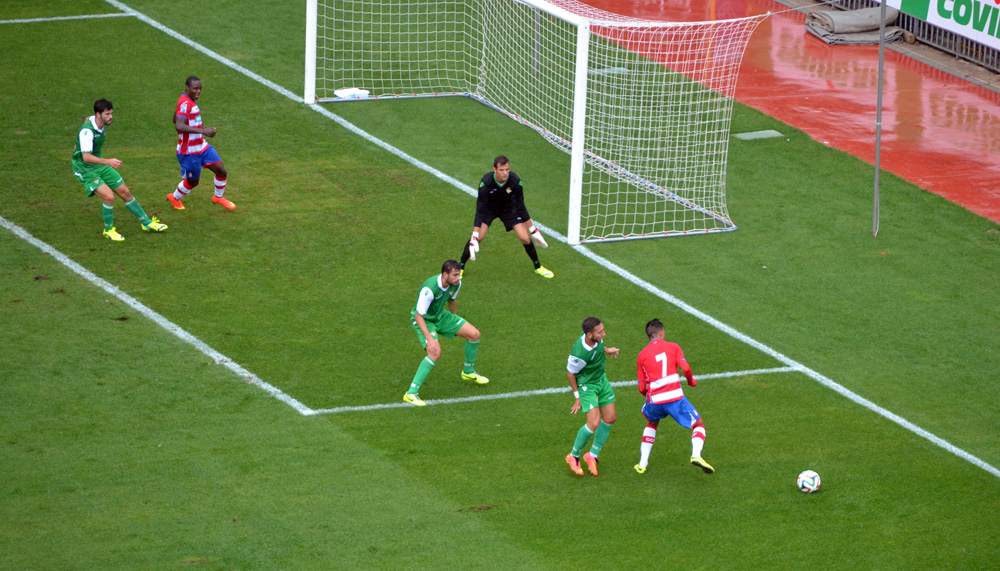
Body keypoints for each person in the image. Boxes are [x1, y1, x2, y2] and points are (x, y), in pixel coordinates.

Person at [71, 99, 168, 241]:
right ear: (98, 114)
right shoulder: (87, 132)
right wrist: (107, 161)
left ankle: (146, 223)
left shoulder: (96, 121)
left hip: (99, 163)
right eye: (107, 114)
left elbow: (87, 119)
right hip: (85, 168)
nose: (111, 117)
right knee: (109, 197)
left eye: (111, 113)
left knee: (125, 192)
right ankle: (108, 230)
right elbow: (86, 157)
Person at [634, 318, 714, 475]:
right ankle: (696, 455)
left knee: (652, 422)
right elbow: (686, 368)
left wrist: (650, 397)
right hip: (675, 398)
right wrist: (691, 381)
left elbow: (641, 387)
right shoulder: (673, 347)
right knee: (698, 424)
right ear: (662, 333)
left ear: (648, 336)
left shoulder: (642, 355)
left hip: (655, 399)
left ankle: (642, 464)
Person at [403, 259, 489, 406]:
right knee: (435, 352)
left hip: (441, 316)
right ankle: (411, 393)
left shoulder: (456, 284)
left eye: (459, 274)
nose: (458, 278)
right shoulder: (429, 289)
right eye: (455, 275)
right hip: (425, 320)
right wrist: (430, 339)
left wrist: (455, 321)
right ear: (444, 274)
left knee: (475, 335)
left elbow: (452, 300)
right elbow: (418, 315)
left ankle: (468, 372)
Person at [459, 155, 553, 278]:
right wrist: (474, 236)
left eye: (507, 169)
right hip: (489, 209)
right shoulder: (485, 183)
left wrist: (533, 230)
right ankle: (460, 267)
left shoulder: (515, 181)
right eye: (501, 170)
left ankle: (538, 267)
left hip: (509, 209)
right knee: (479, 238)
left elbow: (521, 206)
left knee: (525, 238)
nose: (505, 173)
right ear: (494, 170)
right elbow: (480, 210)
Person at [167, 76, 236, 211]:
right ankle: (174, 198)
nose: (198, 91)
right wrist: (203, 130)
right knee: (193, 182)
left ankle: (218, 197)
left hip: (202, 147)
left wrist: (197, 125)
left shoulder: (188, 102)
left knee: (221, 171)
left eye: (200, 89)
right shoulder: (185, 103)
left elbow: (175, 119)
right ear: (187, 88)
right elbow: (179, 126)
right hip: (189, 152)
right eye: (195, 88)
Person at [565, 316, 620, 476]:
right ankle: (573, 455)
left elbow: (599, 346)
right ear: (589, 335)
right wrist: (577, 397)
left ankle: (592, 455)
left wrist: (607, 350)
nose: (604, 334)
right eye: (600, 332)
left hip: (601, 381)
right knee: (594, 422)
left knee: (610, 418)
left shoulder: (596, 339)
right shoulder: (579, 353)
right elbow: (570, 373)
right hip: (587, 386)